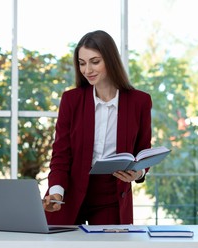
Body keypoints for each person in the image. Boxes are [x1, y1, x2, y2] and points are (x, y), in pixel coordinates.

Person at [42, 30, 152, 225]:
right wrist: (56, 192)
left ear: (110, 60)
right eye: (82, 63)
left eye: (95, 62)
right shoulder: (71, 100)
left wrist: (138, 173)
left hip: (111, 199)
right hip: (69, 194)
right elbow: (60, 154)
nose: (87, 70)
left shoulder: (139, 101)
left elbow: (143, 150)